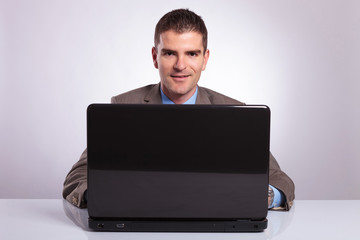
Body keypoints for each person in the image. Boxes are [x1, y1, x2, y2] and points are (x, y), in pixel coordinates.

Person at [63, 9, 295, 210]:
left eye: (191, 53)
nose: (180, 65)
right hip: (142, 223)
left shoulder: (235, 112)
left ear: (205, 59)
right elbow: (77, 178)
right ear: (155, 57)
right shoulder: (123, 106)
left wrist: (262, 198)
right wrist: (107, 197)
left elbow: (280, 179)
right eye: (170, 53)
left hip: (216, 225)